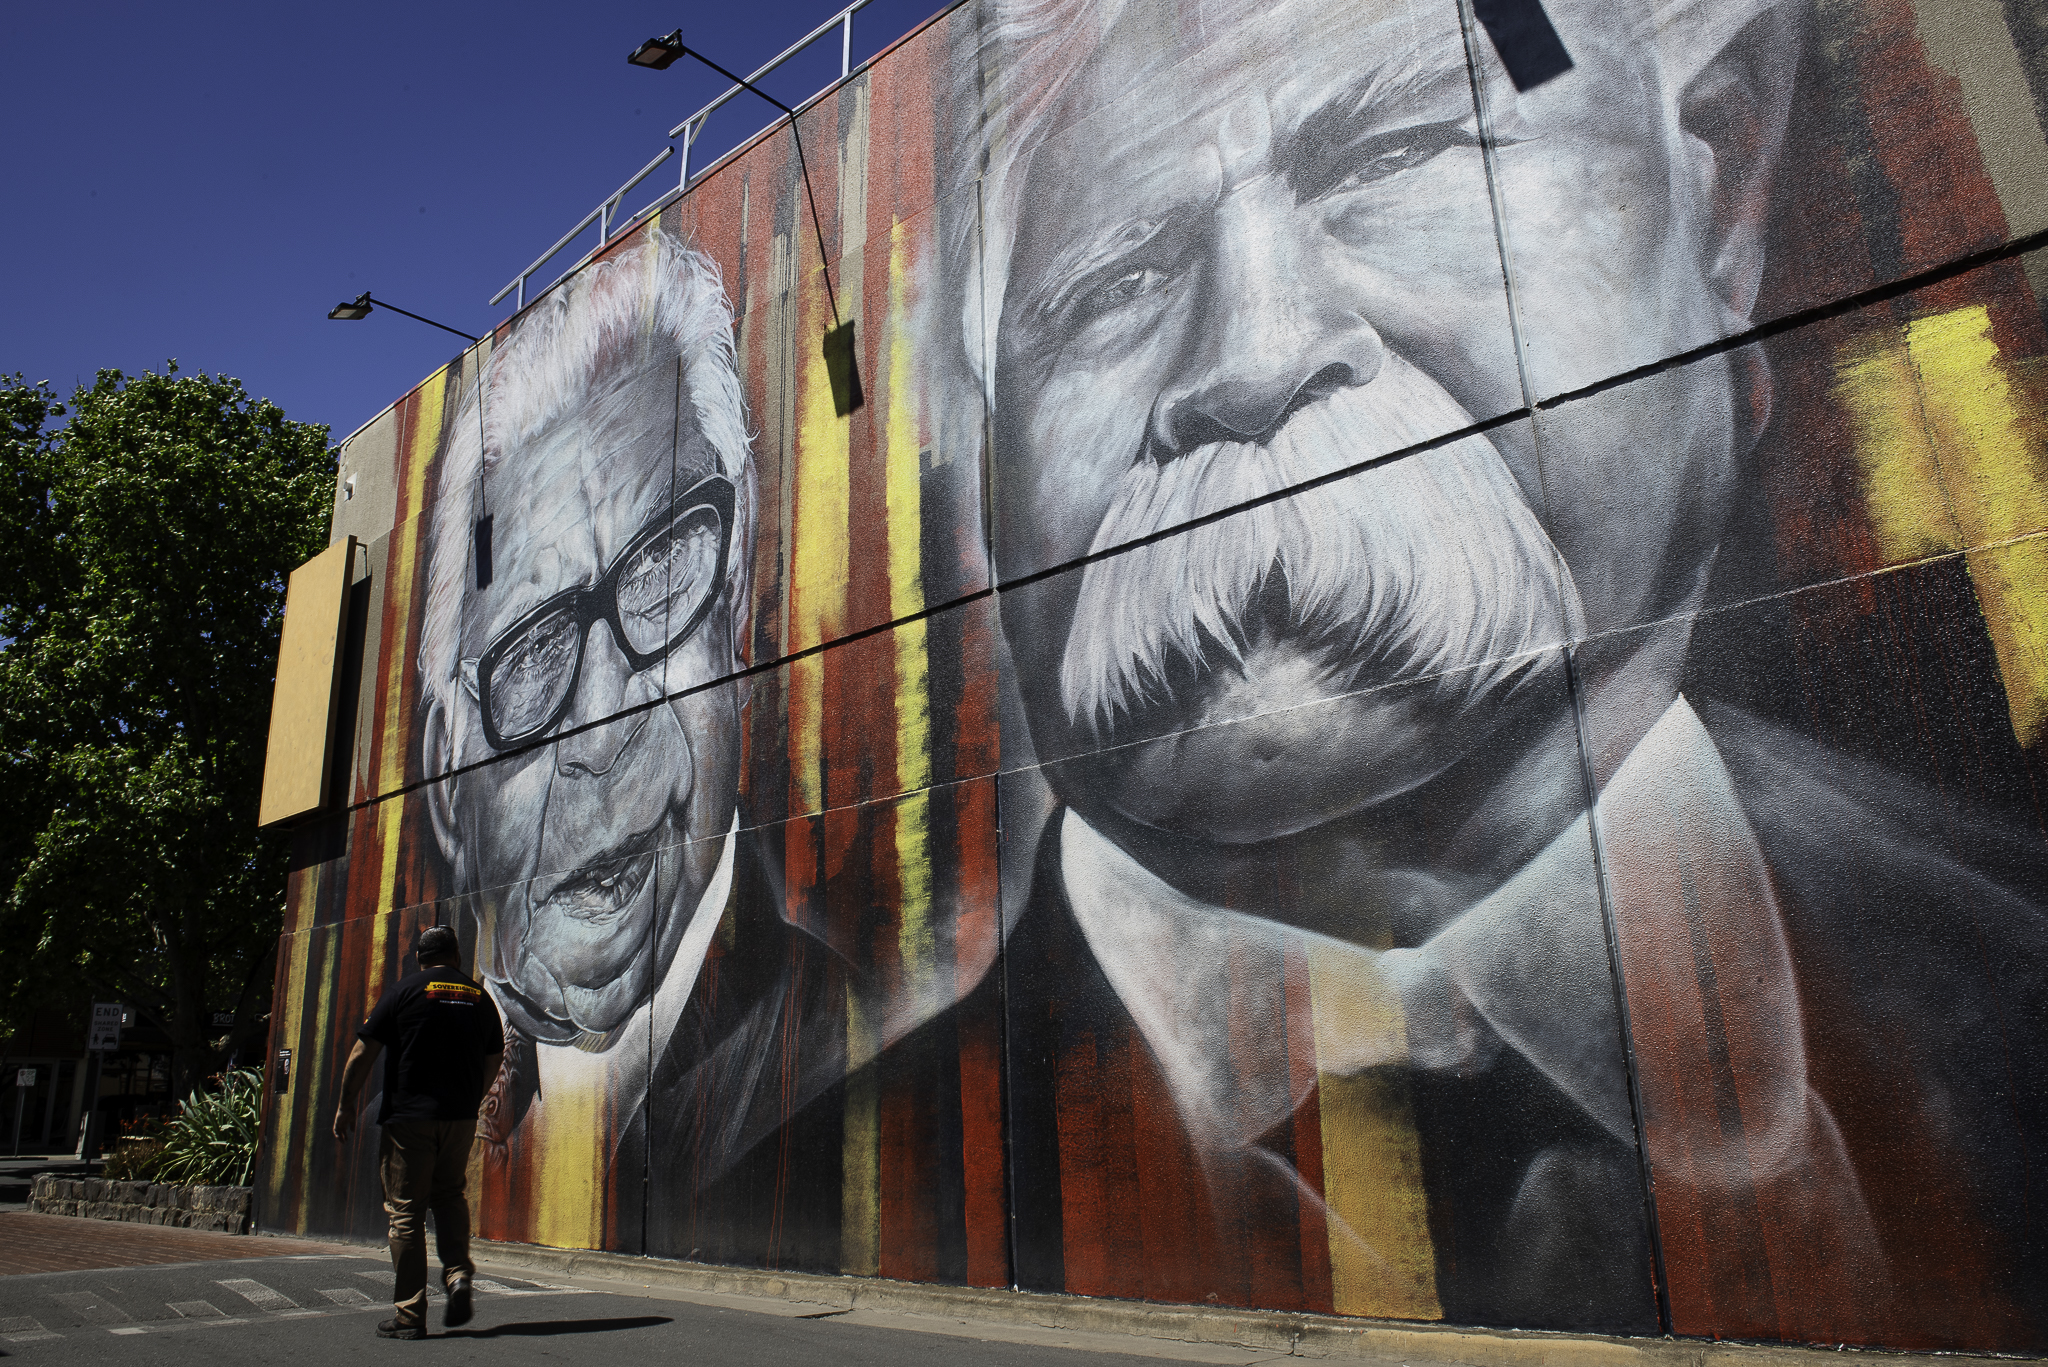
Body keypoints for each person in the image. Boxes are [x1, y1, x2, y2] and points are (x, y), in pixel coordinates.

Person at [925, 0, 2046, 1342]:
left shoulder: (2013, 981)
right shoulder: (904, 1135)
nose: (1256, 355)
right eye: (1115, 286)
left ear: (1716, 185)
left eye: (1392, 156)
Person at [334, 924, 505, 1339]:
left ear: (420, 959)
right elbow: (494, 1058)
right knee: (448, 1196)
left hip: (409, 1118)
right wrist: (470, 1098)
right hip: (460, 1118)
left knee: (406, 1212)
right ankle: (458, 1274)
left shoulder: (404, 991)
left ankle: (410, 1315)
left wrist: (346, 1103)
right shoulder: (478, 997)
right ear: (457, 957)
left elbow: (363, 1052)